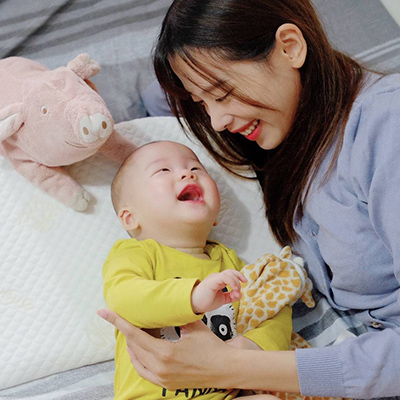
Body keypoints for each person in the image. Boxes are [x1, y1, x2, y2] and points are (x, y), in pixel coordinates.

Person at [98, 0, 400, 398]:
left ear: (290, 47)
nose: (218, 121)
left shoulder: (387, 125)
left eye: (222, 93)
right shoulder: (288, 136)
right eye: (202, 104)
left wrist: (235, 367)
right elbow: (160, 100)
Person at [103, 139, 293, 400]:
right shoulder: (136, 254)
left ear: (215, 217)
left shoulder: (230, 262)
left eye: (196, 168)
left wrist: (252, 345)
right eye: (163, 170)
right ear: (130, 217)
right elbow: (123, 298)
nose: (187, 173)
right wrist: (191, 297)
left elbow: (272, 305)